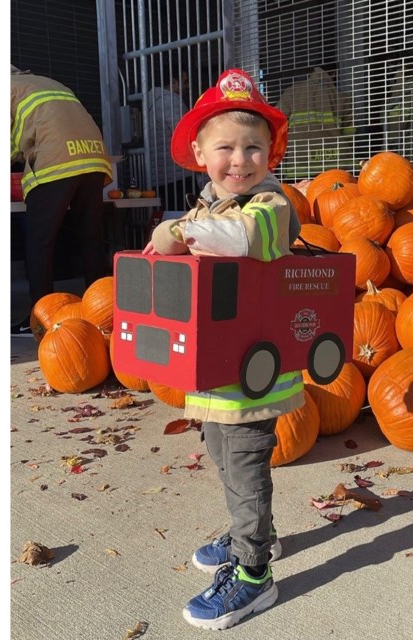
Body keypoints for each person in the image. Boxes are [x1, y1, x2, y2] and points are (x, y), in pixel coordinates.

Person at [142, 68, 302, 631]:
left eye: (254, 147)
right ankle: (250, 532)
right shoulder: (209, 204)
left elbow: (236, 241)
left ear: (271, 155)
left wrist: (180, 232)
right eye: (226, 147)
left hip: (252, 377)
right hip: (215, 371)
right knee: (222, 453)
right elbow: (193, 236)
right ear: (199, 152)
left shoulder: (271, 206)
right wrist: (175, 231)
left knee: (244, 465)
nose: (241, 159)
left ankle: (255, 574)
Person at [10, 65, 114, 335]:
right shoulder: (46, 81)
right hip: (93, 159)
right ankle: (101, 315)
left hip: (54, 161)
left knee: (39, 243)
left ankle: (41, 318)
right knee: (90, 238)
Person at [276, 66, 354, 179]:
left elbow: (276, 124)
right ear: (333, 73)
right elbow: (350, 132)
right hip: (336, 166)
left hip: (300, 166)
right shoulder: (342, 97)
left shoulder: (291, 93)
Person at [144, 62, 198, 213]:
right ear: (174, 82)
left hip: (157, 175)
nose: (187, 86)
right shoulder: (171, 101)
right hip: (178, 174)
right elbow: (185, 135)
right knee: (185, 219)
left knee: (167, 219)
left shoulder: (150, 102)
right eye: (185, 81)